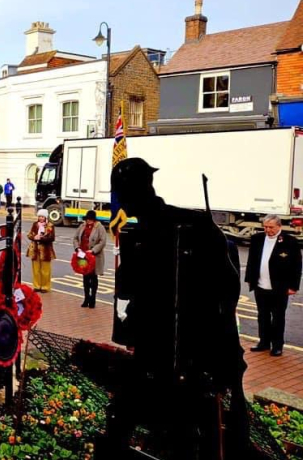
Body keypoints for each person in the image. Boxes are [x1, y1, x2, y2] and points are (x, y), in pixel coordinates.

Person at [105, 157, 250, 460]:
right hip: (157, 349)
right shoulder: (145, 231)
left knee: (193, 433)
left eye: (121, 194)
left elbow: (227, 288)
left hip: (190, 353)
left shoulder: (190, 226)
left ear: (134, 191)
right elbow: (130, 290)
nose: (121, 203)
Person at [244, 214, 301, 357]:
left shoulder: (290, 242)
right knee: (262, 316)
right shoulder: (257, 239)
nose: (268, 230)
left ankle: (277, 345)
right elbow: (252, 260)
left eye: (271, 227)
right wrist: (250, 278)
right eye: (265, 227)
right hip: (261, 286)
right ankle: (263, 342)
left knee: (277, 318)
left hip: (279, 288)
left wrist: (293, 286)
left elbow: (296, 266)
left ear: (279, 226)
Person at [73, 210, 107, 308]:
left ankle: (93, 299)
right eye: (87, 220)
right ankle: (86, 298)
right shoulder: (82, 226)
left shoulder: (100, 227)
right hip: (83, 255)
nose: (89, 222)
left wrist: (93, 250)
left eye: (91, 220)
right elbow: (75, 238)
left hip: (94, 256)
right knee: (85, 278)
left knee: (93, 277)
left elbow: (102, 241)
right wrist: (77, 248)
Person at [26, 209, 55, 292]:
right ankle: (36, 286)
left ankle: (45, 287)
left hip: (46, 251)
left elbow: (52, 238)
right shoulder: (35, 224)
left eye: (42, 216)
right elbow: (30, 234)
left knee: (45, 270)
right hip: (35, 250)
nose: (41, 218)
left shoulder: (50, 225)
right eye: (39, 216)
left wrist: (42, 238)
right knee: (36, 269)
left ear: (45, 217)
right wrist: (34, 237)